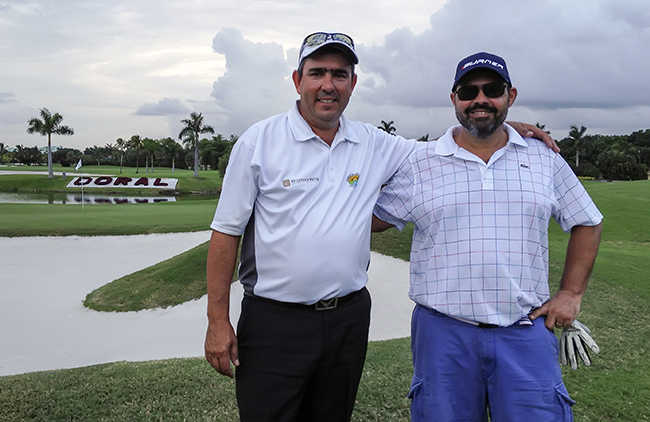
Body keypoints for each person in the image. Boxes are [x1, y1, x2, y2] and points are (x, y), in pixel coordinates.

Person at [205, 33, 557, 422]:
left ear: (352, 84)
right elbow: (226, 232)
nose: (328, 85)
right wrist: (217, 321)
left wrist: (504, 128)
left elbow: (447, 146)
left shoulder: (373, 143)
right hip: (274, 322)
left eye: (340, 75)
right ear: (297, 80)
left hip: (347, 319)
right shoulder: (260, 141)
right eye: (317, 73)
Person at [372, 52, 603, 421]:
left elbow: (587, 222)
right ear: (454, 100)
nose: (480, 99)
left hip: (525, 330)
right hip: (443, 333)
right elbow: (371, 220)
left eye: (491, 89)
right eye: (468, 91)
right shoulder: (421, 162)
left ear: (509, 96)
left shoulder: (544, 159)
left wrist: (571, 295)